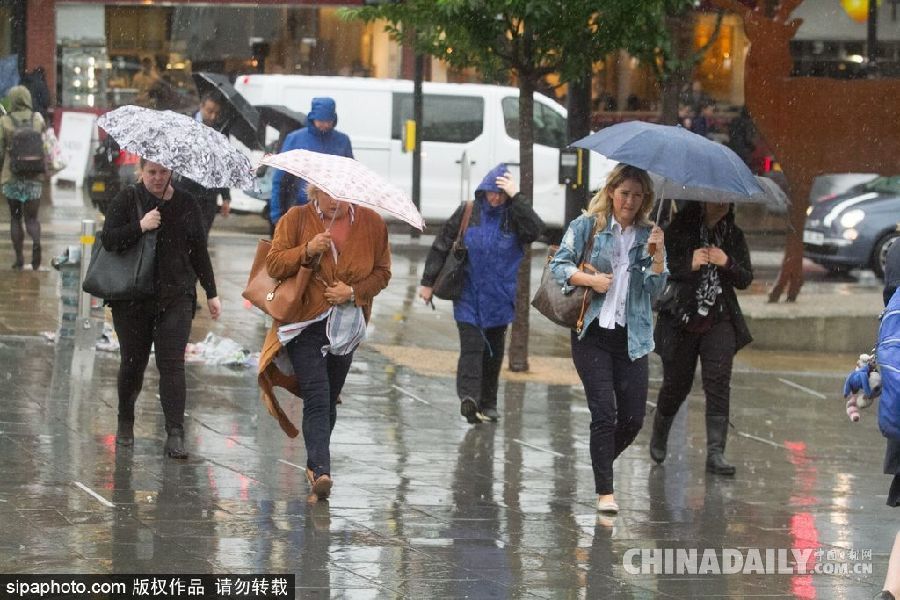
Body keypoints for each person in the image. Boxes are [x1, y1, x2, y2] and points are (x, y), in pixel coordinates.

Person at [257, 184, 391, 500]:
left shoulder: (372, 223)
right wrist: (306, 250)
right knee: (317, 395)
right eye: (328, 194)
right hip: (304, 322)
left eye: (343, 194)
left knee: (328, 399)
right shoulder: (296, 218)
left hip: (346, 328)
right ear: (314, 192)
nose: (335, 201)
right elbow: (274, 264)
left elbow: (383, 273)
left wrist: (354, 293)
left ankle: (313, 464)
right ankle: (321, 471)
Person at [549, 163, 667, 513]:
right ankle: (605, 492)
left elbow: (655, 291)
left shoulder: (651, 236)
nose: (629, 201)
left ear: (645, 199)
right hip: (592, 332)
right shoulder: (588, 226)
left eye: (637, 195)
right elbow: (559, 266)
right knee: (605, 412)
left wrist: (658, 259)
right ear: (612, 191)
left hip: (633, 338)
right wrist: (592, 281)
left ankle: (600, 460)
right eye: (624, 193)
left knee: (632, 419)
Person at [101, 159, 221, 459]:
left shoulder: (186, 203)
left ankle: (175, 433)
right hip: (132, 298)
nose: (157, 178)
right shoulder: (128, 198)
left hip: (176, 296)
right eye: (151, 172)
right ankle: (125, 421)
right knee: (132, 363)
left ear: (173, 173)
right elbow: (109, 239)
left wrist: (212, 292)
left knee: (172, 364)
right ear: (142, 172)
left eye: (163, 172)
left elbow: (199, 249)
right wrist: (140, 225)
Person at [419, 164, 543, 424]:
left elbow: (534, 230)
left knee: (494, 352)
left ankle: (488, 403)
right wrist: (427, 282)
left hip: (500, 296)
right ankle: (469, 397)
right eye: (491, 192)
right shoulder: (468, 211)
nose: (495, 198)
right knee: (472, 345)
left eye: (500, 193)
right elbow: (442, 244)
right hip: (467, 293)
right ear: (483, 191)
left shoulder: (514, 215)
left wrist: (518, 197)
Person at [650, 201, 753, 476]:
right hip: (681, 317)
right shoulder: (678, 230)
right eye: (714, 199)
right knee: (677, 385)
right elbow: (660, 270)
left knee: (718, 382)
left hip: (719, 317)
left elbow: (745, 278)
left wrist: (726, 261)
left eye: (725, 200)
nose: (720, 205)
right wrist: (689, 263)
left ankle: (716, 453)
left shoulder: (733, 235)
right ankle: (659, 433)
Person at [269, 97, 353, 226]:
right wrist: (276, 215)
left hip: (333, 213)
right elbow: (279, 179)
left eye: (328, 121)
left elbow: (351, 179)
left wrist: (353, 211)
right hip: (300, 210)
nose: (324, 125)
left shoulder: (342, 141)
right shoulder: (295, 139)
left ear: (334, 120)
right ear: (312, 118)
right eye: (320, 121)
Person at [0, 85, 46, 271]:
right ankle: (36, 243)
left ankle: (19, 258)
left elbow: (1, 151)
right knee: (32, 219)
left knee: (15, 218)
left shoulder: (4, 121)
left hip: (12, 175)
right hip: (34, 175)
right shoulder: (37, 119)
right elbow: (44, 145)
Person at [173, 91, 231, 234]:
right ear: (201, 106)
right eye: (209, 111)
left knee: (201, 239)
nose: (212, 116)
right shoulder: (185, 124)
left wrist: (225, 197)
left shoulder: (220, 132)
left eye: (216, 113)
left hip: (207, 196)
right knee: (182, 237)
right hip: (184, 190)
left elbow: (222, 167)